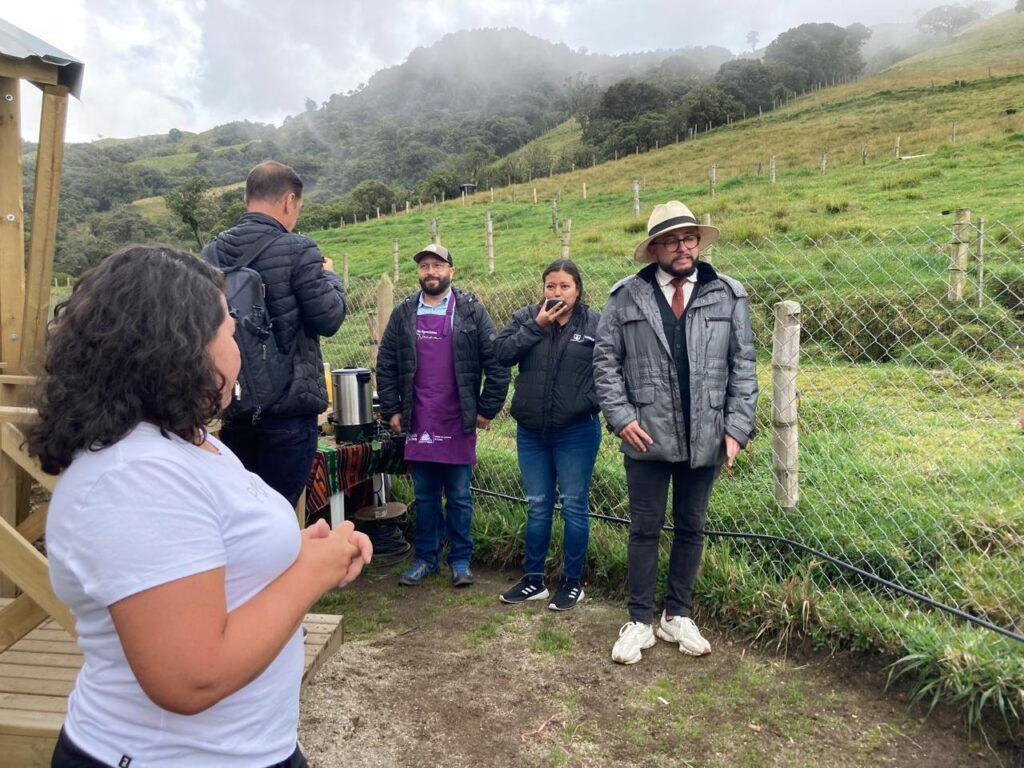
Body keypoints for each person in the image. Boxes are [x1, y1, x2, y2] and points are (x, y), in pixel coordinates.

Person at [29, 246, 372, 768]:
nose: (239, 348)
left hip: (242, 749)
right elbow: (192, 677)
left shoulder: (186, 444)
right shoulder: (135, 477)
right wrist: (310, 572)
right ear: (181, 349)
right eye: (230, 331)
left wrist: (292, 552)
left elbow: (206, 561)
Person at [593, 201, 758, 665]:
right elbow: (605, 364)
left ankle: (677, 615)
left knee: (691, 526)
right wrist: (622, 417)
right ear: (654, 249)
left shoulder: (727, 293)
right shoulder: (626, 297)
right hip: (645, 433)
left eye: (688, 238)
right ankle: (640, 620)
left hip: (706, 433)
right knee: (644, 529)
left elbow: (742, 365)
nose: (682, 247)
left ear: (698, 243)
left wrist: (737, 427)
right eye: (670, 240)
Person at [203, 160, 346, 506]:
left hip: (235, 405)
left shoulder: (212, 252)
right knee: (279, 511)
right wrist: (330, 277)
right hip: (288, 411)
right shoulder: (299, 249)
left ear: (248, 198)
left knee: (244, 509)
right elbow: (329, 318)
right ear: (289, 201)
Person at [377, 243, 510, 587]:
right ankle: (424, 558)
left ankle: (461, 560)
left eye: (437, 265)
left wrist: (486, 407)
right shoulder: (404, 312)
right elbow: (387, 363)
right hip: (419, 419)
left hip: (458, 419)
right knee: (424, 497)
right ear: (419, 273)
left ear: (451, 271)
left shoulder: (471, 311)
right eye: (424, 267)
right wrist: (391, 409)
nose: (430, 272)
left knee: (460, 497)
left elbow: (495, 362)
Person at [494, 259, 602, 611]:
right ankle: (533, 580)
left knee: (573, 506)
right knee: (538, 505)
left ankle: (572, 583)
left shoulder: (595, 324)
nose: (556, 292)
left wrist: (587, 402)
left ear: (578, 289)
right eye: (550, 286)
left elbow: (611, 369)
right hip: (531, 432)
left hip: (576, 432)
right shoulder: (527, 317)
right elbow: (502, 353)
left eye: (564, 286)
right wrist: (537, 327)